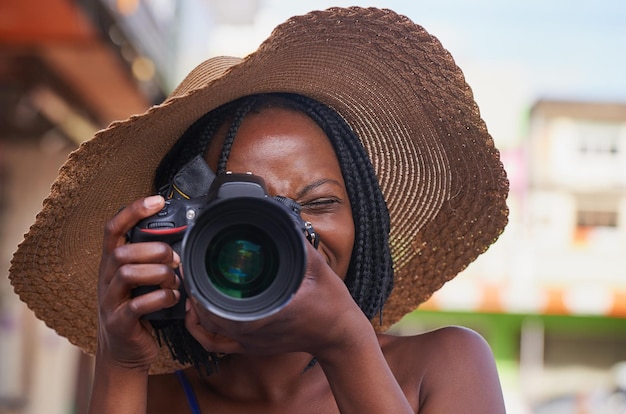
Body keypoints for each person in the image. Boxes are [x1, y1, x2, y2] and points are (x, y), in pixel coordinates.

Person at [9, 6, 509, 413]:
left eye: (317, 203)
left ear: (364, 223)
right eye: (242, 209)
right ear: (173, 236)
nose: (282, 229)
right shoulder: (146, 398)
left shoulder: (445, 366)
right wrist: (120, 360)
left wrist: (346, 343)